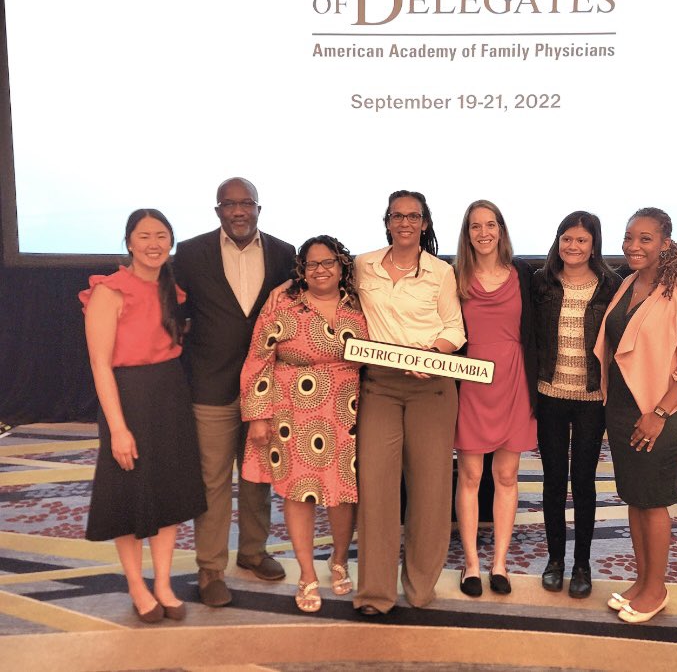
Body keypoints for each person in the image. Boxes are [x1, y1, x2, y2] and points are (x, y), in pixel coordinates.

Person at [172, 178, 295, 607]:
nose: (239, 211)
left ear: (259, 208)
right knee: (213, 481)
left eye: (246, 203)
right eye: (230, 204)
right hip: (211, 385)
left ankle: (253, 552)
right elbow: (175, 314)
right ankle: (210, 570)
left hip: (267, 388)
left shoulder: (284, 253)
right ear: (218, 210)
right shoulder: (189, 254)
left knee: (259, 477)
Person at [79, 209, 206, 623]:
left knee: (169, 491)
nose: (154, 243)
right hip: (127, 398)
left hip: (170, 393)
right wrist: (118, 428)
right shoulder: (109, 290)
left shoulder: (173, 289)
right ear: (129, 242)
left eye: (162, 235)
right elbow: (100, 364)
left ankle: (164, 582)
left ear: (171, 241)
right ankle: (137, 584)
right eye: (144, 235)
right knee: (128, 494)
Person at [240, 236, 367, 613]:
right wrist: (259, 415)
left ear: (343, 265)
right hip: (292, 411)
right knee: (300, 493)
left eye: (328, 262)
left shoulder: (360, 304)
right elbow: (258, 358)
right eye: (312, 264)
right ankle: (307, 573)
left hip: (349, 411)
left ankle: (339, 560)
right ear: (301, 270)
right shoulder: (283, 305)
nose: (321, 270)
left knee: (343, 493)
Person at [594, 207, 677, 623]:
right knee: (635, 498)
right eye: (629, 237)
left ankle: (656, 589)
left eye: (645, 238)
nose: (633, 246)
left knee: (655, 501)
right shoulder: (627, 283)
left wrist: (658, 412)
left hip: (664, 411)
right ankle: (642, 582)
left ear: (665, 242)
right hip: (624, 408)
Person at [353, 190, 466, 615]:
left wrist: (435, 354)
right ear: (387, 221)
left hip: (432, 387)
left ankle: (420, 587)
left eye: (413, 216)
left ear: (424, 223)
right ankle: (375, 594)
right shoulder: (362, 265)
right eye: (397, 215)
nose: (404, 222)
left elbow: (454, 327)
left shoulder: (441, 272)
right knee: (377, 490)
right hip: (379, 385)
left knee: (431, 491)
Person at [532, 211, 621, 598]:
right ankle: (555, 560)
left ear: (594, 245)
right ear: (558, 241)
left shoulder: (611, 285)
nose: (573, 246)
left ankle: (582, 564)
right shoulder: (541, 282)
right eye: (567, 238)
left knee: (583, 482)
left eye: (581, 240)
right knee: (553, 483)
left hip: (591, 399)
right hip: (550, 394)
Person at [452, 200, 536, 597]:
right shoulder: (453, 276)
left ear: (501, 229)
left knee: (505, 476)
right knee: (470, 477)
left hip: (515, 381)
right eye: (475, 226)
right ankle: (471, 565)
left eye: (490, 224)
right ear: (466, 233)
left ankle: (499, 564)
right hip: (471, 384)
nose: (483, 232)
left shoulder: (523, 274)